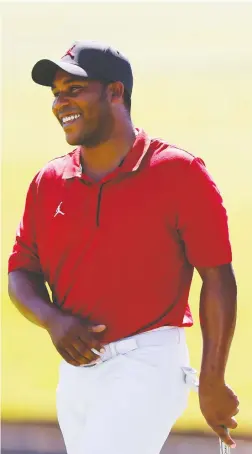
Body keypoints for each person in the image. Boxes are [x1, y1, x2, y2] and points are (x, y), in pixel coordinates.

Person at [8, 40, 239, 454]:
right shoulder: (49, 181)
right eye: (56, 93)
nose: (61, 102)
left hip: (148, 362)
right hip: (77, 371)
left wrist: (213, 378)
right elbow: (21, 272)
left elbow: (218, 277)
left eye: (74, 89)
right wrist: (52, 320)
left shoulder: (178, 172)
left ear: (115, 92)